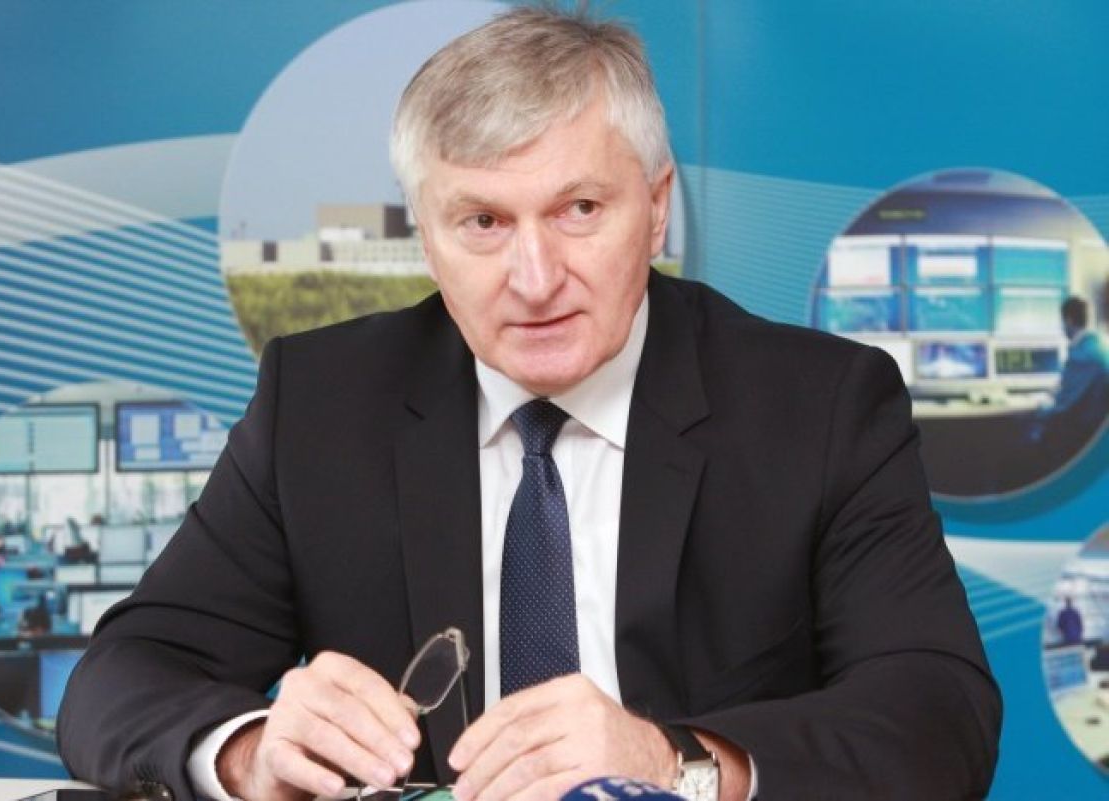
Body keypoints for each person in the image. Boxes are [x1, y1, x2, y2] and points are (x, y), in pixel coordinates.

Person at [57, 7, 1001, 801]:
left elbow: (939, 712)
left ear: (656, 208)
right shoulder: (319, 403)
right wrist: (251, 750)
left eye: (579, 210)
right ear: (426, 239)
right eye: (483, 222)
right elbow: (122, 675)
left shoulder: (821, 405)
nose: (536, 277)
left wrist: (673, 762)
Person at [1028, 295, 1109, 454]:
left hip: (1080, 434)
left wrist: (1039, 407)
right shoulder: (1100, 345)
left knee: (1024, 434)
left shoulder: (1082, 355)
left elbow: (1062, 408)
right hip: (1096, 435)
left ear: (1069, 320)